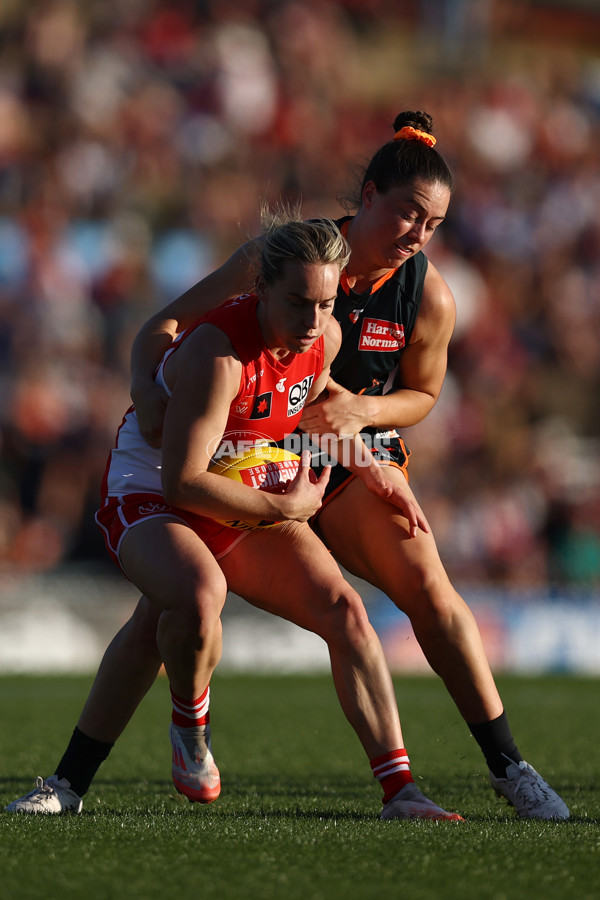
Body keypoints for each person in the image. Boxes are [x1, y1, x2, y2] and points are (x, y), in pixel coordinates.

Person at [8, 110, 568, 821]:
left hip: (295, 455)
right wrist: (149, 389)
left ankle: (483, 772)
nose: (419, 236)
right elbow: (169, 339)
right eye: (407, 215)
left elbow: (383, 398)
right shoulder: (271, 284)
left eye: (434, 224)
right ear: (367, 197)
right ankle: (123, 759)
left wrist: (367, 445)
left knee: (393, 595)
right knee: (182, 606)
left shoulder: (390, 307)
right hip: (216, 465)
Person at [7, 213, 462, 821]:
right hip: (154, 492)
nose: (312, 321)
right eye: (298, 303)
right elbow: (184, 482)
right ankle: (190, 730)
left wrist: (375, 469)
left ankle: (401, 791)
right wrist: (284, 507)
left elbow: (312, 411)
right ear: (261, 290)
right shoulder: (217, 354)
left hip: (236, 484)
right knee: (198, 596)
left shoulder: (322, 338)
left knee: (342, 614)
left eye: (325, 304)